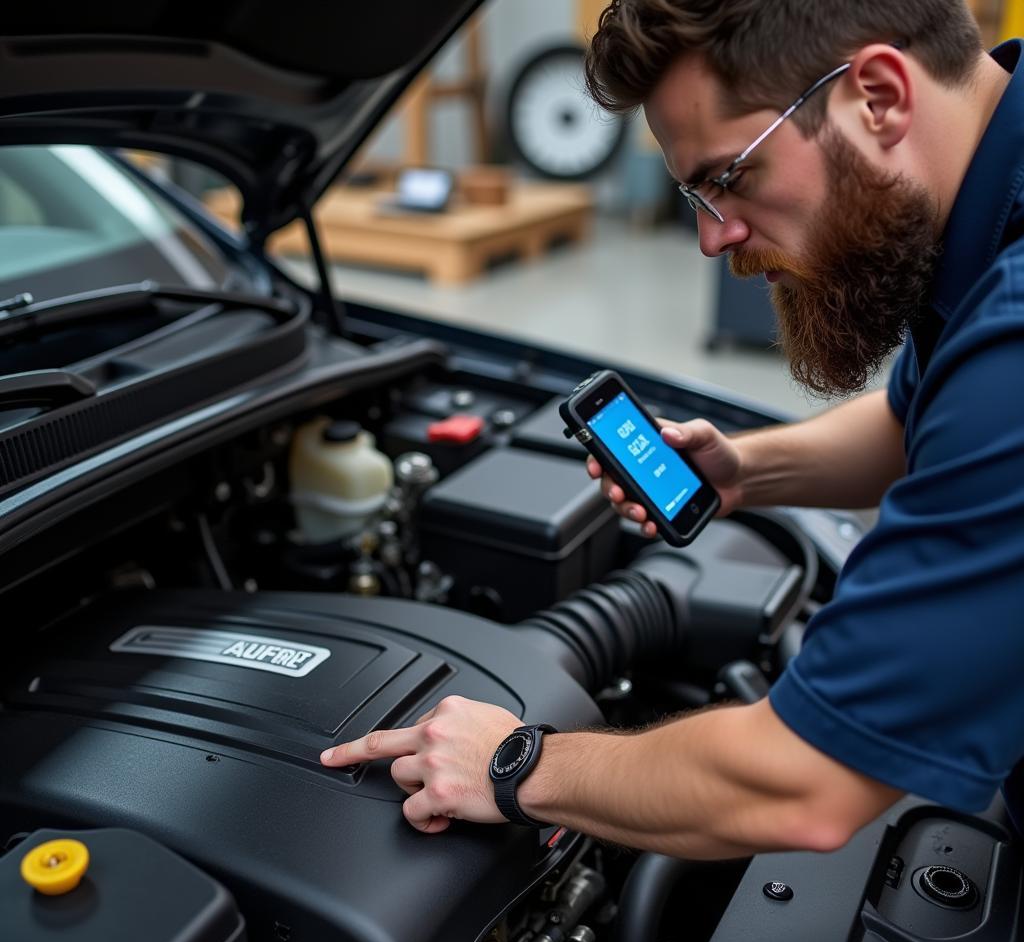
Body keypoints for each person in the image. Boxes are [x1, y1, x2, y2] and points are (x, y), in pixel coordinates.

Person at [320, 0, 1024, 858]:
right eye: (695, 193)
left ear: (877, 97)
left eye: (730, 176)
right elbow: (923, 418)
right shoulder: (978, 211)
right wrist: (745, 471)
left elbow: (805, 781)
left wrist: (513, 765)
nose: (711, 235)